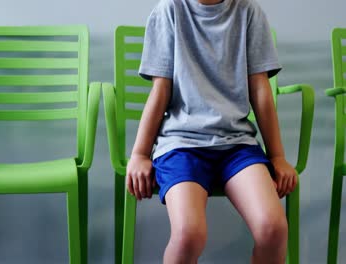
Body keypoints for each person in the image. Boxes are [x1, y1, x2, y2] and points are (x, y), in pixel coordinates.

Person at [126, 0, 298, 263]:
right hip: (181, 145)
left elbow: (261, 91)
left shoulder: (248, 12)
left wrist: (277, 156)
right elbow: (160, 91)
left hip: (237, 145)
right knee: (188, 235)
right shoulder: (169, 10)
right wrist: (139, 153)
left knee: (273, 229)